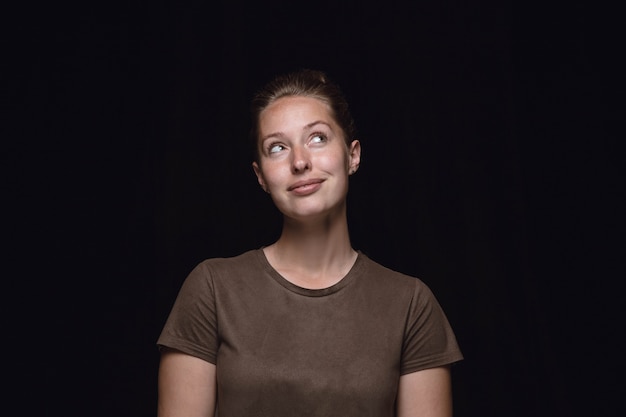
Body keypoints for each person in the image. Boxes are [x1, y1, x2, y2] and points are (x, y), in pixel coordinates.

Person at [156, 68, 463, 417]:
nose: (299, 161)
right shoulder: (212, 288)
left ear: (353, 155)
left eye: (317, 138)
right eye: (277, 147)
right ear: (260, 176)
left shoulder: (411, 304)